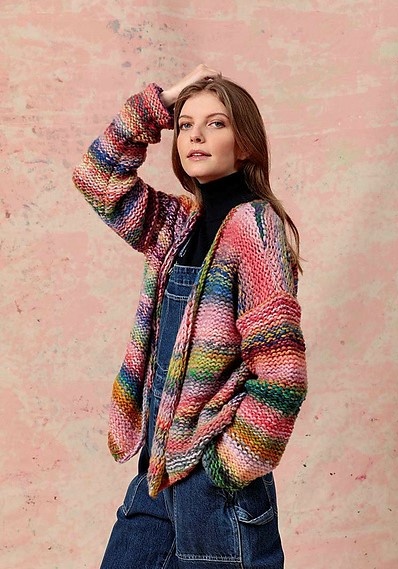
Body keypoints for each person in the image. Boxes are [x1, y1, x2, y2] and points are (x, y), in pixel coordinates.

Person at [73, 63, 307, 569]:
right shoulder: (177, 223)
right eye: (185, 125)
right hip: (156, 477)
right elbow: (97, 177)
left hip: (214, 494)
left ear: (244, 145)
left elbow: (282, 376)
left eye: (216, 123)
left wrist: (226, 470)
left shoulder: (256, 230)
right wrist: (164, 100)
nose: (195, 136)